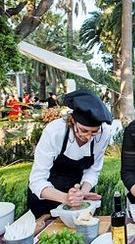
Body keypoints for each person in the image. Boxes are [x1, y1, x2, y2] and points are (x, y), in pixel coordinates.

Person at [27, 89, 112, 218]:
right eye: (84, 131)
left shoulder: (104, 133)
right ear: (73, 122)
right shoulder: (54, 132)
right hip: (47, 196)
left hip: (77, 194)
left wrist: (82, 193)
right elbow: (36, 180)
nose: (89, 137)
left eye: (94, 132)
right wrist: (66, 198)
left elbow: (93, 171)